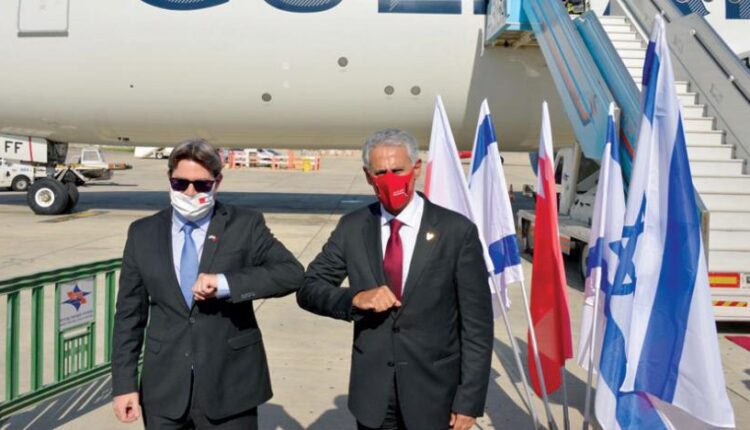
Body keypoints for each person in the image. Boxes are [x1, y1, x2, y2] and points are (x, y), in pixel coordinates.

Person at [297, 129, 494, 430]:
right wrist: (355, 299)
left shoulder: (456, 231)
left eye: (398, 170)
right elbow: (309, 288)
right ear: (368, 176)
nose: (390, 179)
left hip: (433, 394)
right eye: (380, 172)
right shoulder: (353, 227)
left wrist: (468, 401)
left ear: (416, 168)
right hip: (373, 395)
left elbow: (477, 325)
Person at [111, 139, 304, 429]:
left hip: (230, 387)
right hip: (164, 389)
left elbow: (291, 272)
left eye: (201, 185)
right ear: (169, 179)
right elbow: (129, 315)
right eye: (180, 183)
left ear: (218, 182)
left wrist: (226, 284)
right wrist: (124, 384)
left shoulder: (245, 224)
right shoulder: (142, 233)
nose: (190, 192)